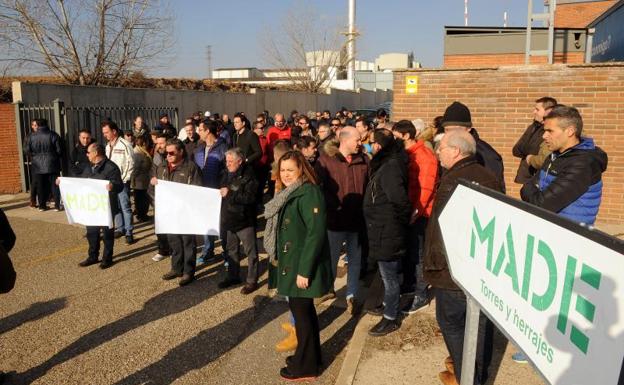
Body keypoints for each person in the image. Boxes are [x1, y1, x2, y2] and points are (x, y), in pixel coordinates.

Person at [424, 130, 503, 385]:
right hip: (479, 268)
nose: (438, 153)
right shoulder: (488, 176)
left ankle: (467, 376)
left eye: (442, 148)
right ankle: (474, 372)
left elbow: (441, 231)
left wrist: (435, 268)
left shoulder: (454, 181)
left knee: (453, 325)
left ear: (456, 151)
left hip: (453, 273)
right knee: (478, 326)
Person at [263, 150, 332, 381]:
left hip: (301, 266)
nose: (286, 174)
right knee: (305, 313)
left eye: (290, 170)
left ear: (301, 169)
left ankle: (305, 366)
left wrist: (305, 271)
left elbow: (316, 234)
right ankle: (311, 357)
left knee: (302, 315)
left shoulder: (309, 193)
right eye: (282, 170)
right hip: (291, 262)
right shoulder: (290, 192)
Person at [521, 105, 608, 226]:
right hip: (550, 227)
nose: (544, 136)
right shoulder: (555, 155)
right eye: (544, 130)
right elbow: (530, 186)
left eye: (550, 131)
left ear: (570, 131)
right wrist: (530, 188)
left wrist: (529, 188)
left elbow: (540, 204)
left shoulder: (582, 164)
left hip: (570, 235)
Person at [315, 126, 369, 314]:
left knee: (355, 259)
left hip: (356, 220)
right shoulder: (325, 161)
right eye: (358, 140)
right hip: (335, 220)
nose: (360, 144)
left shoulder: (363, 160)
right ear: (345, 140)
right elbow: (319, 189)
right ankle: (327, 289)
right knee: (330, 257)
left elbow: (368, 187)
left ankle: (351, 294)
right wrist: (334, 206)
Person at [363, 129, 411, 336]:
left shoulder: (390, 167)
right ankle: (386, 305)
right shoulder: (385, 163)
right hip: (382, 229)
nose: (368, 145)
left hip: (388, 231)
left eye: (371, 142)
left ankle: (390, 317)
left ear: (378, 146)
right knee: (386, 275)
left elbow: (400, 201)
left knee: (389, 277)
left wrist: (395, 225)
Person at [391, 120, 438, 315]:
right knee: (410, 252)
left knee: (418, 255)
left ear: (407, 136)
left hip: (420, 213)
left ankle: (421, 294)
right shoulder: (406, 155)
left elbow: (425, 189)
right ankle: (409, 285)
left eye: (396, 137)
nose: (394, 140)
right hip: (408, 210)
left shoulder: (425, 156)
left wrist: (415, 212)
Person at [152, 139, 202, 286]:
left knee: (188, 242)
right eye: (166, 152)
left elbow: (198, 189)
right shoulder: (161, 167)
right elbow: (153, 190)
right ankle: (176, 268)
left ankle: (188, 272)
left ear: (181, 151)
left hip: (185, 211)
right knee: (174, 241)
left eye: (172, 152)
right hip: (168, 212)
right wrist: (153, 184)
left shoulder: (191, 168)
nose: (168, 155)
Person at [73, 143, 124, 269]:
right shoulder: (89, 167)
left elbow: (120, 185)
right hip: (91, 206)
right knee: (92, 232)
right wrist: (63, 182)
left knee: (107, 234)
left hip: (106, 206)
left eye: (89, 152)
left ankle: (107, 258)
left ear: (96, 153)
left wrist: (113, 186)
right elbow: (81, 180)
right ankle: (93, 256)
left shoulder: (111, 167)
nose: (87, 154)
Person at [217, 148, 260, 293]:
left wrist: (230, 194)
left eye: (230, 161)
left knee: (251, 253)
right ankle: (233, 276)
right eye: (226, 161)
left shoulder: (250, 176)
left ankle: (252, 280)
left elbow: (250, 198)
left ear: (239, 161)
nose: (227, 164)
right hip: (229, 219)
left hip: (244, 220)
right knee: (231, 250)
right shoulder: (225, 173)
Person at [441, 101, 506, 192]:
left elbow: (496, 192)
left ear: (468, 129)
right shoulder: (446, 149)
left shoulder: (487, 155)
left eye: (456, 129)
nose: (451, 134)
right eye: (447, 130)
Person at [194, 120, 228, 264]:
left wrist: (225, 187)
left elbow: (229, 171)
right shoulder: (199, 148)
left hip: (219, 193)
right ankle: (208, 252)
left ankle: (228, 254)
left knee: (223, 224)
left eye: (200, 129)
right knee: (206, 223)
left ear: (208, 131)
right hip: (203, 193)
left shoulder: (224, 148)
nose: (198, 132)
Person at [102, 120, 135, 244]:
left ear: (114, 131)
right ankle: (120, 228)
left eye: (107, 132)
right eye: (104, 133)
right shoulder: (107, 146)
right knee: (115, 206)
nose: (105, 135)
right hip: (111, 182)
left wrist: (125, 178)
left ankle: (129, 232)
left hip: (122, 181)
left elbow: (130, 163)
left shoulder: (125, 144)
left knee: (125, 206)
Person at [513, 97, 558, 184]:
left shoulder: (549, 130)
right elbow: (516, 150)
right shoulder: (533, 127)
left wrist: (528, 154)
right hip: (527, 176)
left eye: (537, 109)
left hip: (540, 178)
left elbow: (540, 155)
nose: (534, 112)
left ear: (548, 111)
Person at [23, 118, 63, 211]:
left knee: (40, 186)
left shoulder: (31, 136)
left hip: (37, 165)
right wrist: (55, 156)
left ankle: (42, 206)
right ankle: (57, 205)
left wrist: (34, 156)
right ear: (47, 124)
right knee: (55, 185)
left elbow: (26, 150)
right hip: (52, 163)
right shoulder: (53, 135)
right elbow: (59, 150)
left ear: (38, 125)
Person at [148, 134, 171, 262]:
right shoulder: (156, 157)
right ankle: (162, 250)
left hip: (170, 196)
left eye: (162, 143)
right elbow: (152, 172)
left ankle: (173, 249)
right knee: (160, 224)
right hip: (157, 195)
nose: (159, 146)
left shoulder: (172, 156)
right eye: (158, 143)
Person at [131, 135, 152, 222]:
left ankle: (143, 214)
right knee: (140, 199)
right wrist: (133, 180)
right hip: (139, 181)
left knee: (143, 198)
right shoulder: (137, 153)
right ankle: (141, 215)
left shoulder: (142, 151)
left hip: (143, 179)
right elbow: (136, 168)